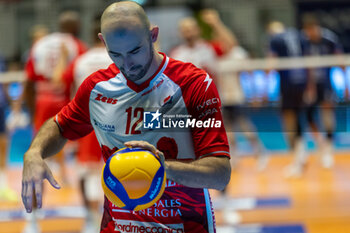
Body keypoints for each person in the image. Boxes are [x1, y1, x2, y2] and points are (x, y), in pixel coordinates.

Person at [21, 2, 231, 233]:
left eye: (134, 51)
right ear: (103, 42)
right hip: (119, 227)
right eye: (115, 54)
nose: (127, 64)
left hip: (184, 226)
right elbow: (60, 125)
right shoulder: (96, 88)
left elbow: (220, 174)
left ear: (153, 35)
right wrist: (34, 152)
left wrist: (161, 169)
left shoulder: (193, 84)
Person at [23, 11, 87, 233]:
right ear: (76, 27)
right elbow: (82, 78)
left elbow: (28, 82)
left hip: (43, 100)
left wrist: (32, 113)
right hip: (70, 101)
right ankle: (92, 217)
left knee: (37, 154)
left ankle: (32, 220)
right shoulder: (77, 46)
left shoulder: (40, 45)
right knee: (87, 163)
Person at [55, 21, 112, 233]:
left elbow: (61, 82)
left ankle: (90, 219)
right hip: (115, 123)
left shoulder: (80, 60)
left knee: (85, 171)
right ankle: (113, 218)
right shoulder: (118, 60)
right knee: (116, 169)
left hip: (86, 122)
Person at [301, 14, 343, 170]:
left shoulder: (329, 39)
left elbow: (340, 60)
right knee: (309, 115)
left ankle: (329, 150)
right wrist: (308, 86)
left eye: (311, 30)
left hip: (326, 83)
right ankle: (321, 145)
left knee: (327, 114)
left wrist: (345, 83)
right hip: (310, 84)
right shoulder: (305, 42)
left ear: (316, 28)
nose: (309, 34)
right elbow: (305, 64)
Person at [266, 21, 308, 177]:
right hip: (301, 81)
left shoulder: (275, 39)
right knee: (297, 118)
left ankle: (298, 159)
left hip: (287, 84)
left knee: (289, 121)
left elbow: (271, 64)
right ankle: (301, 156)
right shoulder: (298, 35)